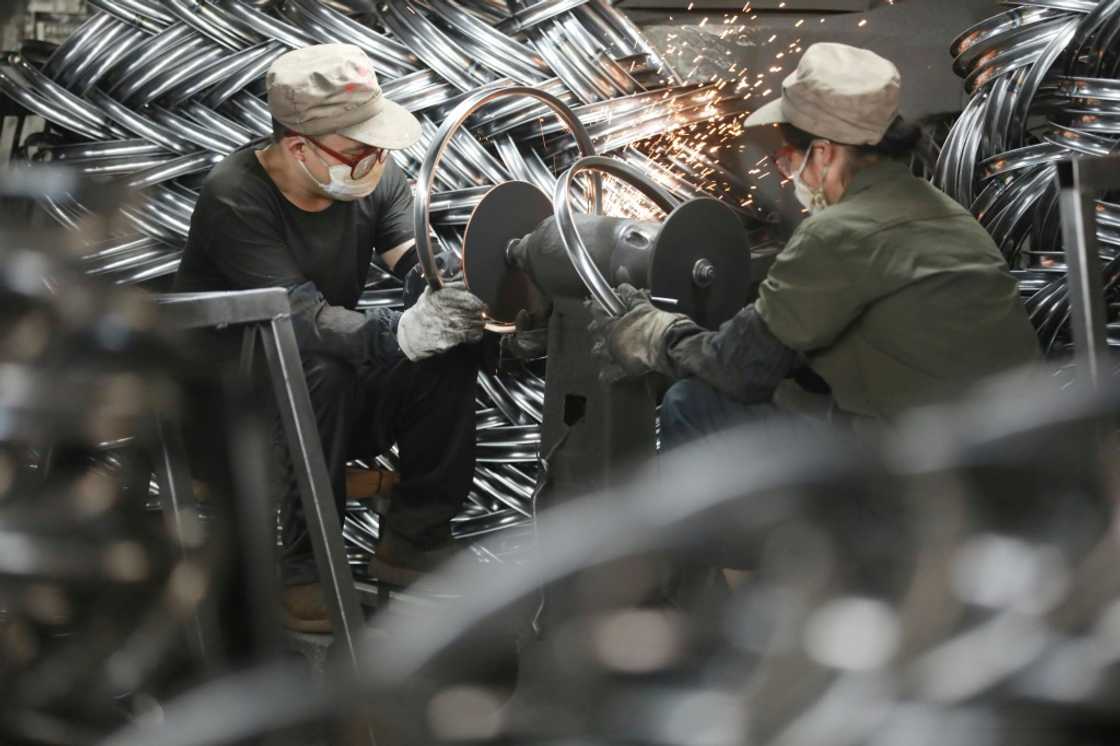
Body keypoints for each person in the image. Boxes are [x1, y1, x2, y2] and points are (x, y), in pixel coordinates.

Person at [589, 42, 1039, 449]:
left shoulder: (836, 232)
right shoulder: (948, 214)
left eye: (789, 158)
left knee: (691, 403)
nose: (790, 174)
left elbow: (739, 371)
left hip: (919, 476)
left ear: (823, 153)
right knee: (798, 396)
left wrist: (657, 335)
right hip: (1017, 456)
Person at [174, 44, 486, 632]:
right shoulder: (234, 195)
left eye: (378, 146)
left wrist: (462, 297)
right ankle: (304, 571)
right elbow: (295, 318)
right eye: (359, 148)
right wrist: (402, 329)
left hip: (324, 403)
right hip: (233, 413)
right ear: (298, 146)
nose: (374, 160)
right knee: (317, 363)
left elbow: (415, 262)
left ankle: (415, 535)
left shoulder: (373, 179)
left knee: (445, 347)